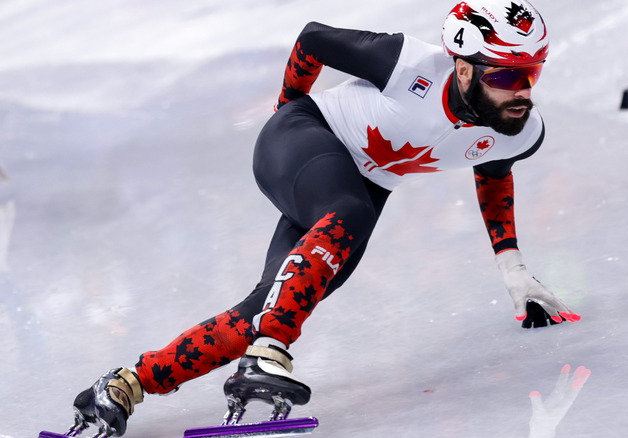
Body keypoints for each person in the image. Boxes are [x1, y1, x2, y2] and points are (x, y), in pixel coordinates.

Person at [66, 1, 580, 436]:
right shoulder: (407, 65)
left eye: (534, 73)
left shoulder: (518, 129)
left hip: (355, 192)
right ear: (464, 69)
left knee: (267, 307)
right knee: (334, 233)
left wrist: (511, 266)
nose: (524, 90)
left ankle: (127, 382)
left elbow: (491, 173)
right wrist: (286, 110)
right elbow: (313, 39)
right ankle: (271, 352)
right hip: (304, 138)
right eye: (510, 75)